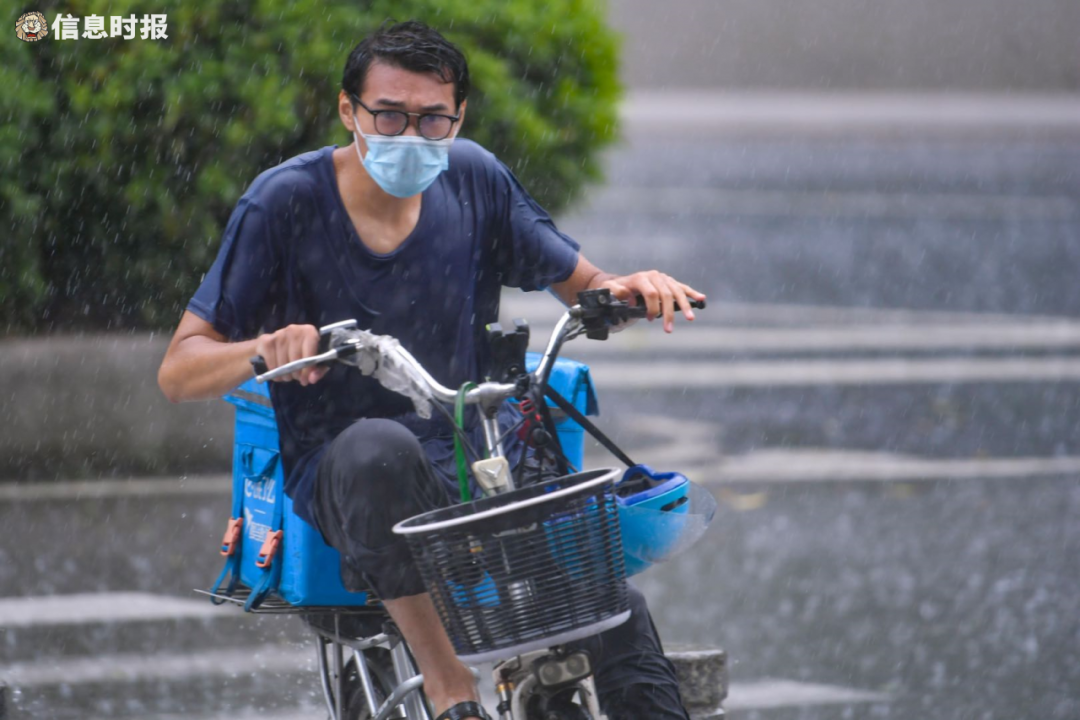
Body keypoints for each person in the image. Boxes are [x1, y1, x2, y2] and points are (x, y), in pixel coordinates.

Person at [158, 20, 704, 720]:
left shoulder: (473, 178)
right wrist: (265, 350)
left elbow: (584, 284)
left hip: (474, 450)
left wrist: (629, 291)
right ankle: (449, 687)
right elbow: (179, 369)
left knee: (612, 609)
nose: (410, 135)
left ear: (459, 116)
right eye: (388, 114)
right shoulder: (285, 202)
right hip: (347, 467)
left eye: (432, 118)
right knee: (376, 448)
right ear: (348, 110)